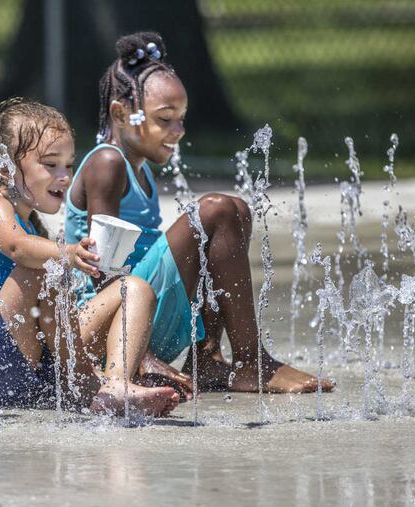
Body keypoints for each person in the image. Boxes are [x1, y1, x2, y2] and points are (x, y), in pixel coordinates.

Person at [65, 32, 335, 394]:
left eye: (182, 118)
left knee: (235, 211)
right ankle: (250, 362)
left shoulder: (138, 166)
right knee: (218, 211)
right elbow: (102, 271)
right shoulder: (107, 163)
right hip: (107, 330)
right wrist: (138, 356)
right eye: (165, 119)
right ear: (121, 113)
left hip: (136, 315)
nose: (179, 130)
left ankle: (206, 356)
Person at [0, 97, 180, 416]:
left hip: (32, 372)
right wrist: (68, 254)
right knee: (41, 269)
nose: (64, 176)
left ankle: (116, 382)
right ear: (4, 167)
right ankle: (84, 385)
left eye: (68, 164)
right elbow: (17, 248)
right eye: (51, 164)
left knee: (132, 287)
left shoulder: (34, 228)